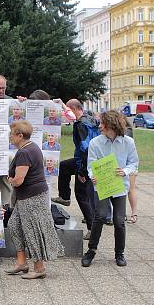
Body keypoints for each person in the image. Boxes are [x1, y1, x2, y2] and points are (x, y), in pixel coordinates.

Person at [5, 120, 64, 279]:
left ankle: (39, 268)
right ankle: (21, 263)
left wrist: (10, 179)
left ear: (20, 135)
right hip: (29, 196)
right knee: (14, 225)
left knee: (32, 232)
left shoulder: (25, 152)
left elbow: (19, 180)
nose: (10, 137)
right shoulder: (31, 147)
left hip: (31, 197)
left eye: (12, 134)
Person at [82, 111, 139, 268]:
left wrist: (125, 171)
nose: (100, 126)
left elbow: (134, 163)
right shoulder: (95, 143)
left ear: (112, 126)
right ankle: (91, 251)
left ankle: (119, 253)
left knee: (119, 221)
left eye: (103, 124)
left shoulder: (128, 142)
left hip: (119, 186)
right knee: (99, 216)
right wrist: (92, 175)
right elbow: (91, 165)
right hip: (102, 185)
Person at [52, 100, 98, 239]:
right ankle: (65, 197)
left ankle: (92, 229)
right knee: (64, 166)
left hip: (86, 162)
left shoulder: (81, 125)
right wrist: (61, 104)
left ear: (74, 109)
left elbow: (85, 148)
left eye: (67, 111)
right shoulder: (89, 119)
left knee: (82, 196)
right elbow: (71, 115)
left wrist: (82, 171)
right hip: (93, 159)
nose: (65, 115)